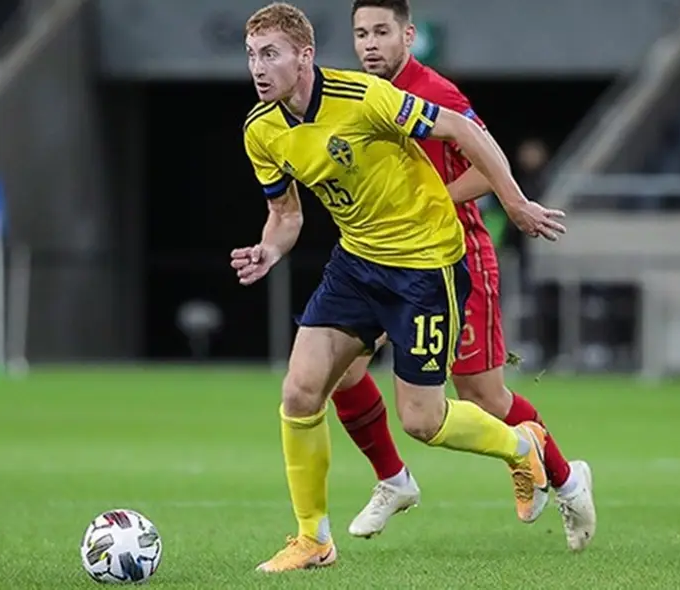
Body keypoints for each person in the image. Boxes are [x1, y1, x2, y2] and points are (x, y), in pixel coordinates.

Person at [232, 2, 566, 572]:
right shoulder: (261, 131)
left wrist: (516, 202)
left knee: (423, 421)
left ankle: (521, 445)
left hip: (424, 266)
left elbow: (461, 129)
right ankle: (313, 539)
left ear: (304, 56)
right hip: (356, 264)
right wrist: (268, 248)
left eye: (271, 54)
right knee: (299, 392)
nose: (258, 68)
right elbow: (285, 216)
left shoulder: (363, 98)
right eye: (252, 56)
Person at [336, 0, 596, 553]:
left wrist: (443, 203)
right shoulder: (357, 95)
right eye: (361, 34)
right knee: (340, 368)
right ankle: (393, 479)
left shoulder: (436, 92)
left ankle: (568, 479)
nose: (370, 44)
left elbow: (487, 160)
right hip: (385, 258)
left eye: (382, 31)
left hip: (455, 256)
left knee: (482, 395)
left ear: (408, 34)